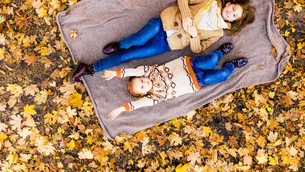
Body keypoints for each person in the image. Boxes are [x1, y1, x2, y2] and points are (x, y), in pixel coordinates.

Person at [70, 0, 255, 83]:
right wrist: (187, 17)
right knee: (136, 40)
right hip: (164, 22)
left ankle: (90, 68)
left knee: (130, 56)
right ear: (230, 3)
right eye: (232, 9)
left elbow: (199, 49)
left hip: (168, 44)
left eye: (233, 16)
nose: (230, 13)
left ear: (233, 22)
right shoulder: (209, 3)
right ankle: (121, 43)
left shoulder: (218, 32)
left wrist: (193, 35)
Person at [102, 43, 248, 119]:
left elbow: (134, 71)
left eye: (140, 80)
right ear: (144, 94)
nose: (143, 82)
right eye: (141, 87)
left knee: (212, 60)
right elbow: (137, 105)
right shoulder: (155, 97)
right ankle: (232, 65)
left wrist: (116, 73)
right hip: (198, 81)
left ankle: (220, 52)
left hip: (191, 65)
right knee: (221, 75)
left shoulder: (151, 71)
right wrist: (121, 109)